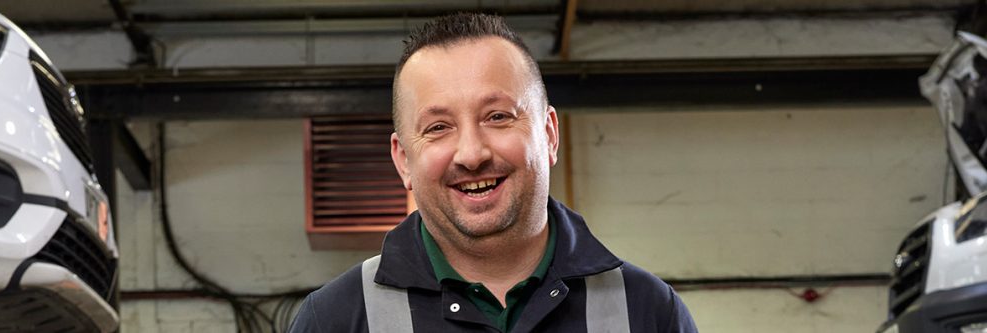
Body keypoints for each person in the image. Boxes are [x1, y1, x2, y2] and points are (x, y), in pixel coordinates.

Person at [290, 13, 697, 333]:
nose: (471, 154)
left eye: (498, 116)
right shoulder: (335, 320)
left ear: (550, 134)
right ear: (403, 161)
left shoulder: (647, 312)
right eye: (437, 128)